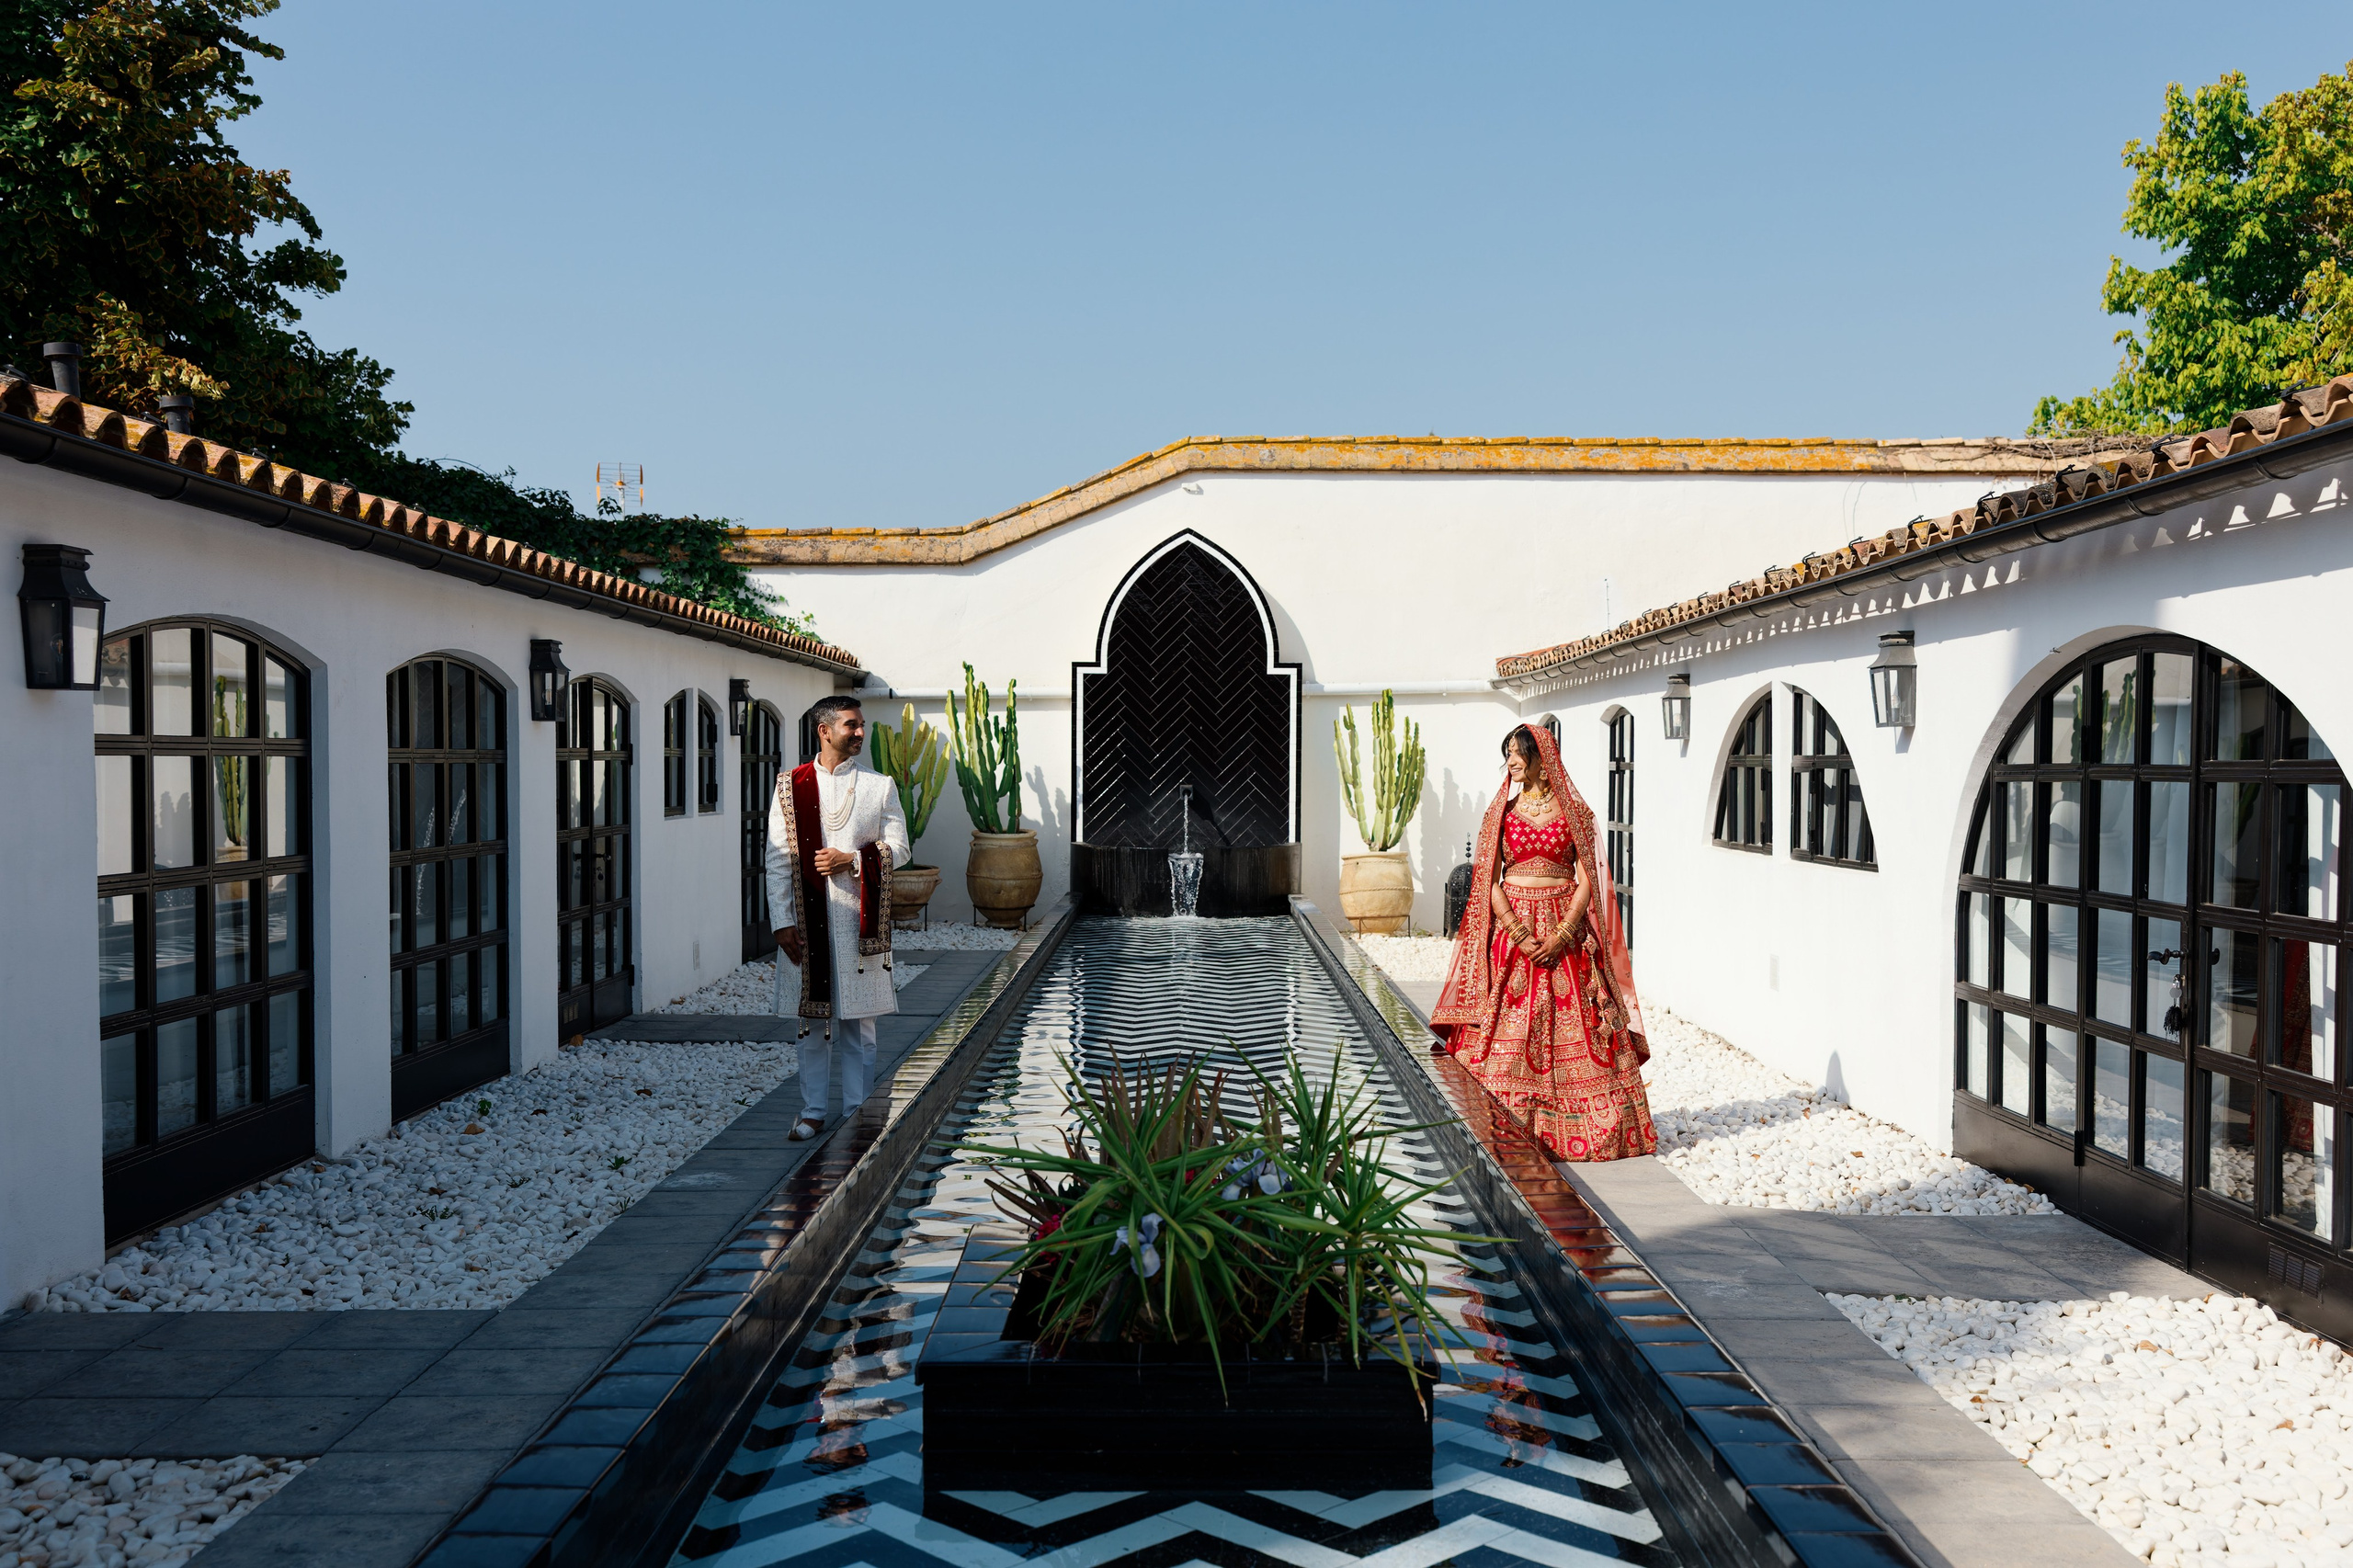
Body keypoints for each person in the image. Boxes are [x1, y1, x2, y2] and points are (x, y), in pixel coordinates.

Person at [1430, 722, 1656, 1163]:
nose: (1511, 762)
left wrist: (1564, 932)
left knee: (1580, 1023)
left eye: (1518, 753)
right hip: (1514, 937)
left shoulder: (1576, 813)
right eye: (1508, 754)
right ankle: (1504, 1127)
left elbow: (1588, 878)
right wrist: (1516, 930)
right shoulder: (1501, 814)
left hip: (1564, 936)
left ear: (1542, 757)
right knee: (1511, 1028)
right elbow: (1488, 879)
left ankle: (1593, 1127)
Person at [767, 695, 911, 1141]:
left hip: (856, 922)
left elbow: (901, 849)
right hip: (805, 922)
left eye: (861, 724)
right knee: (810, 1022)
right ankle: (813, 1112)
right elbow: (777, 859)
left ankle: (857, 1112)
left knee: (858, 1023)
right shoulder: (790, 786)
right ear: (824, 730)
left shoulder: (879, 786)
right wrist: (780, 920)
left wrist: (853, 859)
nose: (861, 732)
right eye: (852, 725)